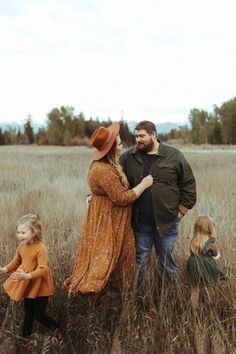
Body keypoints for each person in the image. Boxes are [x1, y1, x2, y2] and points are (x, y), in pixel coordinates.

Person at [63, 123, 153, 294]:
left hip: (113, 217)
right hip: (110, 220)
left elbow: (104, 192)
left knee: (119, 257)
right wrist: (143, 184)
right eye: (119, 144)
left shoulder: (109, 164)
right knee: (106, 258)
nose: (122, 146)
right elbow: (121, 198)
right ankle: (100, 295)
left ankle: (116, 296)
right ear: (111, 149)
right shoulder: (103, 169)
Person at [119, 120, 196, 284]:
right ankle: (140, 301)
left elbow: (188, 184)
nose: (138, 140)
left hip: (167, 222)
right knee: (141, 262)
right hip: (140, 223)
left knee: (167, 262)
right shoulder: (128, 157)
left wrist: (181, 212)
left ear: (153, 135)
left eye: (142, 136)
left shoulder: (174, 155)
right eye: (136, 136)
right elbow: (112, 180)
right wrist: (94, 195)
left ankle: (171, 298)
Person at [0, 214, 60, 337]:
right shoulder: (22, 246)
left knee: (39, 315)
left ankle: (58, 329)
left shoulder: (41, 248)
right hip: (28, 285)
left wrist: (26, 276)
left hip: (41, 286)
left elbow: (42, 269)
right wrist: (4, 269)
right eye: (18, 232)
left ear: (34, 232)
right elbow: (16, 262)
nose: (19, 235)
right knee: (28, 314)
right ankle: (24, 339)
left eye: (23, 232)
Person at [185, 215, 226, 309]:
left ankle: (194, 308)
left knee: (195, 288)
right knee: (208, 286)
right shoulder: (210, 242)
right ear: (209, 228)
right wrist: (214, 255)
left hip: (193, 265)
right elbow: (216, 256)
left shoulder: (191, 239)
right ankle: (211, 305)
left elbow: (190, 253)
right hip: (207, 266)